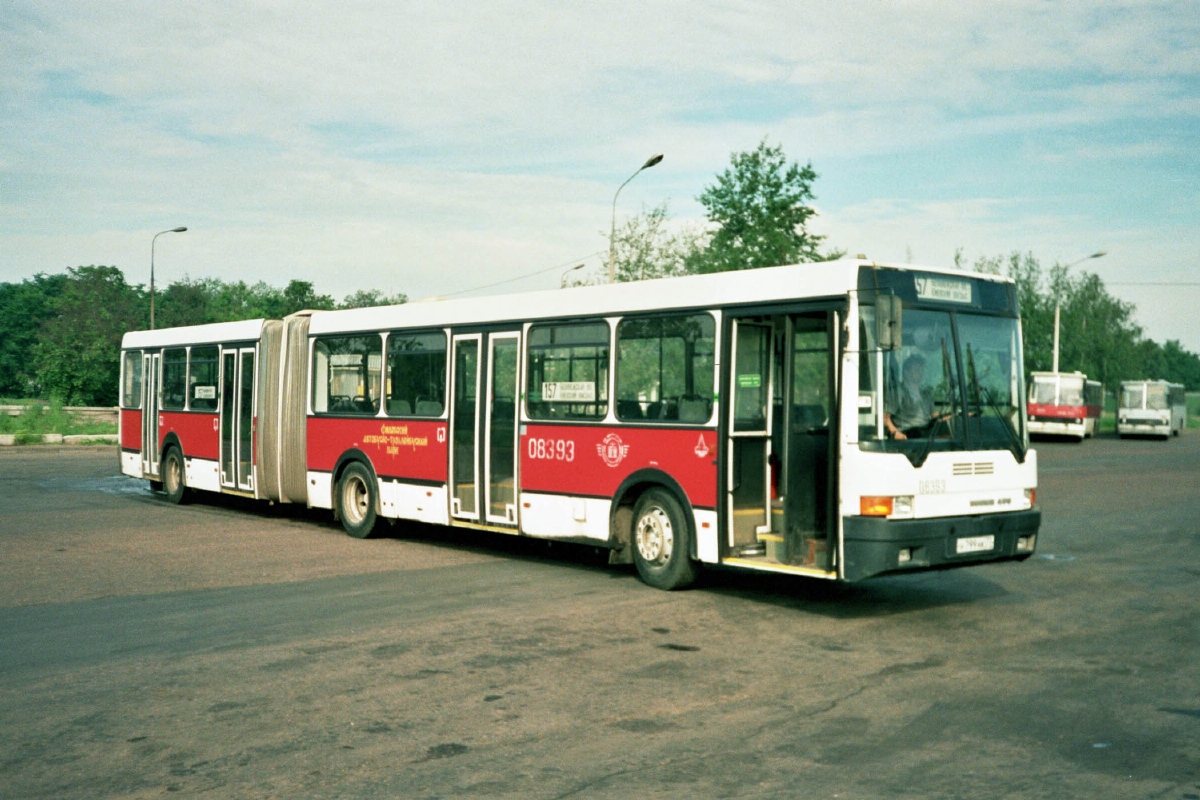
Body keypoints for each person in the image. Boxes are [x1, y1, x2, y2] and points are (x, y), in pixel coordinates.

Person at [884, 354, 949, 440]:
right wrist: (895, 432)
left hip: (926, 434)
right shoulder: (897, 393)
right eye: (917, 370)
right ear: (906, 372)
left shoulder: (926, 395)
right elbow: (884, 418)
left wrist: (956, 416)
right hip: (909, 436)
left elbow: (936, 419)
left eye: (922, 370)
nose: (921, 372)